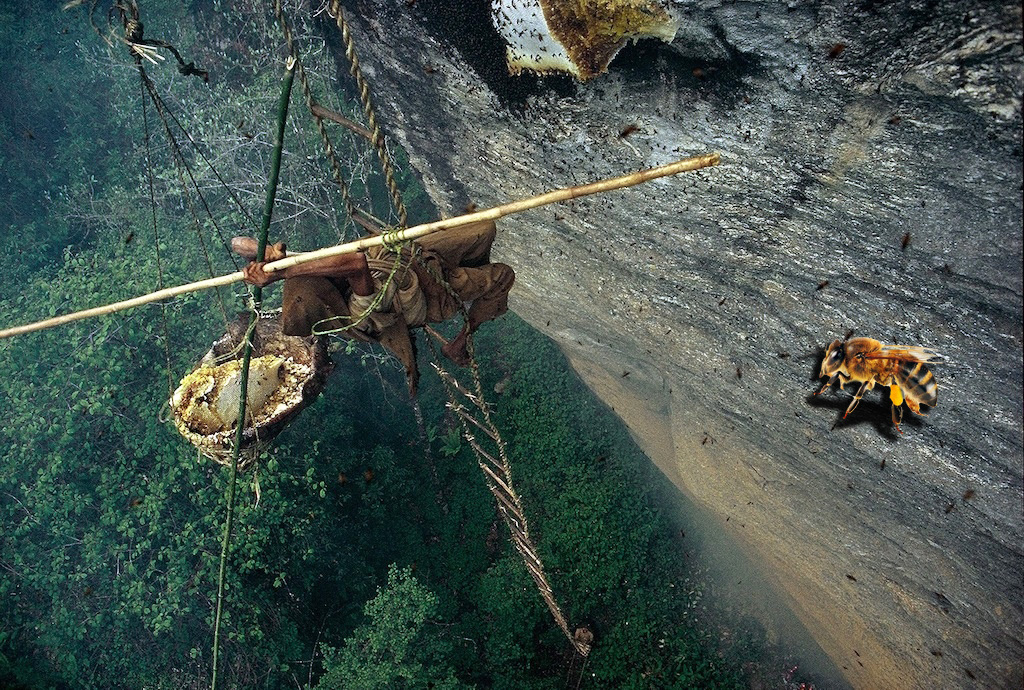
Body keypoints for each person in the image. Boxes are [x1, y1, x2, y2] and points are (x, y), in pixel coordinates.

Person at [231, 220, 514, 395]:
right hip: (431, 292)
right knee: (502, 275)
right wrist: (280, 274)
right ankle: (462, 338)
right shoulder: (356, 314)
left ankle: (472, 268)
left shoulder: (320, 271)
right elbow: (355, 263)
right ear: (325, 300)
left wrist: (267, 255)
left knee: (484, 228)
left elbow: (238, 243)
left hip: (414, 256)